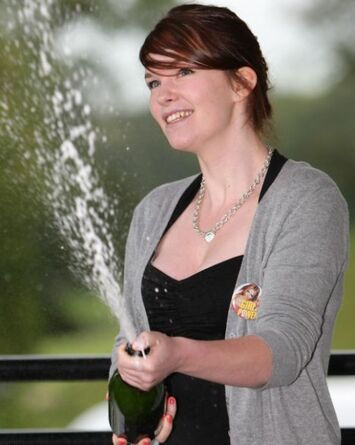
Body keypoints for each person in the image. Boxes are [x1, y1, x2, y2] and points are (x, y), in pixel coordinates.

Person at [110, 4, 349, 445]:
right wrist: (134, 414)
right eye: (153, 81)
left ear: (242, 82)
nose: (162, 95)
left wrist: (176, 354)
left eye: (183, 72)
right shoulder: (153, 211)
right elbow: (127, 347)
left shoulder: (306, 199)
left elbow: (281, 351)